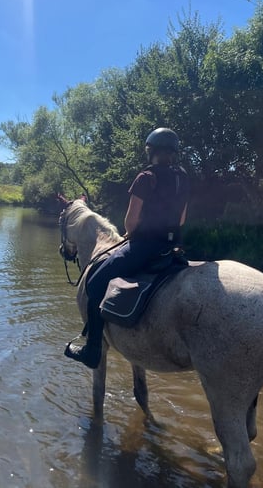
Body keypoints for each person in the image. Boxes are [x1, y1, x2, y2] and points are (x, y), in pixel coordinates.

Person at [64, 128, 189, 369]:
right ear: (173, 152)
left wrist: (131, 234)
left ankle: (92, 350)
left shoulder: (146, 177)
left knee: (94, 283)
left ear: (150, 150)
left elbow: (130, 222)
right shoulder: (182, 177)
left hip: (144, 247)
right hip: (173, 247)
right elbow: (181, 219)